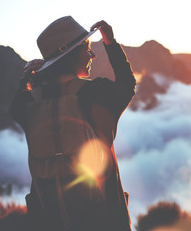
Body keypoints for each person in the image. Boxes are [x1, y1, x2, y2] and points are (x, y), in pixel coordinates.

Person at [10, 16, 135, 231]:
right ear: (70, 56)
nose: (93, 54)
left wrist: (36, 76)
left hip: (47, 221)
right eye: (86, 48)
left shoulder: (28, 104)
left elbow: (17, 103)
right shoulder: (95, 94)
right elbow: (127, 84)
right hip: (102, 221)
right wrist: (111, 43)